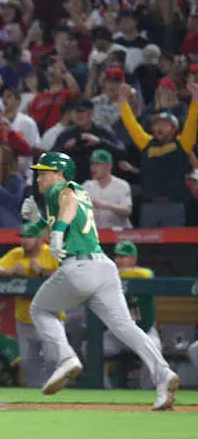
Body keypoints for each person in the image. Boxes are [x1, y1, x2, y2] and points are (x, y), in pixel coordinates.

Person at [22, 152, 178, 410]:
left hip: (79, 267)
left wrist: (58, 234)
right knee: (126, 327)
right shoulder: (79, 191)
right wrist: (38, 222)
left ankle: (66, 358)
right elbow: (65, 219)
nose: (39, 178)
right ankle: (163, 375)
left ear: (59, 173)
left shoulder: (61, 189)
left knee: (40, 309)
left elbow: (67, 203)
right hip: (103, 267)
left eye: (44, 172)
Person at [116, 82, 198, 227]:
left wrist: (196, 99)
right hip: (149, 205)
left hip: (174, 205)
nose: (158, 127)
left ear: (174, 128)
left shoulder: (183, 143)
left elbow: (192, 122)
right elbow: (131, 125)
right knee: (147, 247)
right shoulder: (146, 143)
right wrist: (122, 102)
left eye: (164, 124)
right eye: (156, 124)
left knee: (174, 247)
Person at [0, 223, 60, 388]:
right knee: (28, 363)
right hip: (24, 318)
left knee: (52, 358)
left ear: (40, 239)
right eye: (23, 237)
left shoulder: (51, 253)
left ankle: (58, 393)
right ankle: (38, 397)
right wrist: (9, 272)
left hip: (50, 315)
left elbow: (68, 275)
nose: (24, 241)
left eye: (29, 237)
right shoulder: (16, 254)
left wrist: (42, 271)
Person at [105, 241, 162, 389]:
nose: (119, 260)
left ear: (133, 259)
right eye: (117, 257)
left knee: (154, 350)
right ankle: (104, 389)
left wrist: (119, 273)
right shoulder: (109, 276)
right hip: (117, 335)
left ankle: (147, 391)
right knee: (89, 347)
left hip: (144, 330)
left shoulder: (143, 275)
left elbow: (147, 274)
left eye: (124, 257)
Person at [82, 149, 132, 229]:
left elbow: (127, 210)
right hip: (96, 233)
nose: (93, 168)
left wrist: (106, 206)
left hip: (119, 233)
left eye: (97, 164)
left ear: (108, 166)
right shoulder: (87, 186)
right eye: (92, 164)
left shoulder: (122, 185)